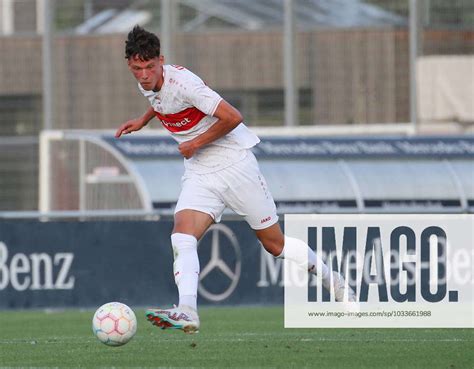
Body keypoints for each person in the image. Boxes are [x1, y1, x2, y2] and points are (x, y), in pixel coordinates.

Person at [115, 26, 355, 334]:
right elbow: (161, 101)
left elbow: (233, 117)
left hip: (235, 164)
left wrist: (195, 143)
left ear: (161, 60)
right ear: (130, 65)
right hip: (200, 172)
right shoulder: (147, 83)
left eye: (150, 67)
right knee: (182, 236)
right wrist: (143, 119)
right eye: (138, 69)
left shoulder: (187, 84)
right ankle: (187, 309)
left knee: (275, 245)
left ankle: (331, 279)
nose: (145, 74)